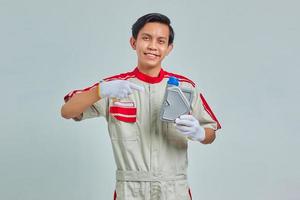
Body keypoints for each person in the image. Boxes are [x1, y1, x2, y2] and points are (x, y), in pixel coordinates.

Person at [61, 13, 221, 200]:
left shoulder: (186, 88)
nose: (153, 46)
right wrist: (99, 91)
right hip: (131, 188)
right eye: (146, 38)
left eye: (161, 41)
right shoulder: (114, 87)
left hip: (174, 188)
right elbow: (67, 111)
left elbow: (211, 131)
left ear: (169, 48)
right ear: (133, 42)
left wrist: (200, 134)